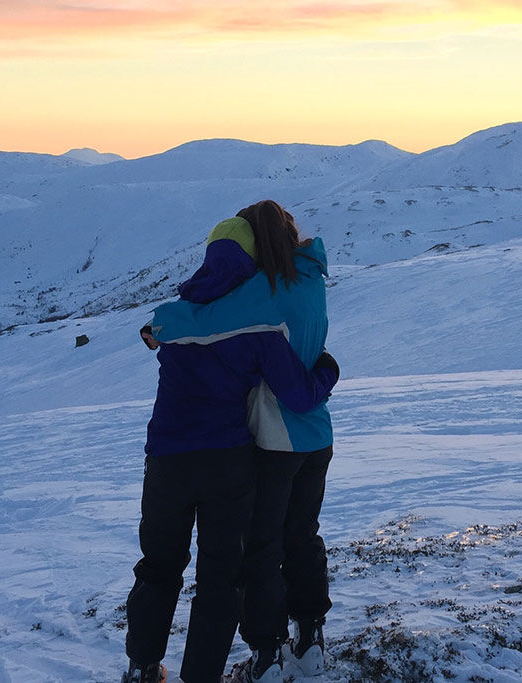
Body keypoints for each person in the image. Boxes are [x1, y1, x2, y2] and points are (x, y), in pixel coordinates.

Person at [122, 208, 340, 683]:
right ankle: (205, 674)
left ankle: (142, 667)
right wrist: (328, 368)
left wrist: (156, 329)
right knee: (223, 577)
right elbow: (299, 391)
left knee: (159, 565)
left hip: (167, 458)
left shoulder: (174, 318)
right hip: (229, 459)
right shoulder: (260, 322)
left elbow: (177, 324)